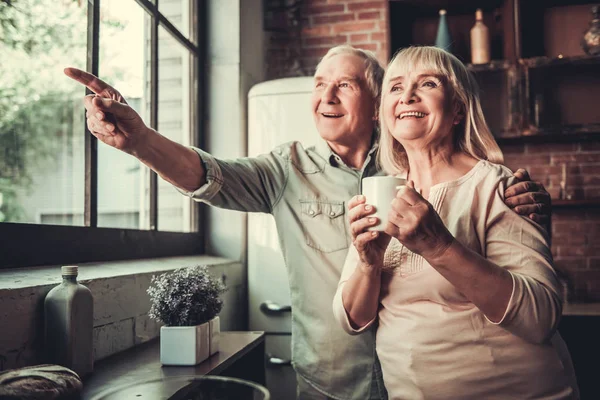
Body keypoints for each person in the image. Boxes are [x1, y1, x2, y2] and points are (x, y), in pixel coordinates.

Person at [64, 45, 551, 400]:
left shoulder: (422, 168)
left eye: (344, 84)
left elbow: (528, 290)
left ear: (376, 102)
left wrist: (520, 203)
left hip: (427, 383)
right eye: (319, 84)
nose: (326, 96)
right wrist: (142, 141)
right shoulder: (287, 168)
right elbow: (209, 175)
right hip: (332, 383)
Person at [333, 45, 578, 400]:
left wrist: (438, 246)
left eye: (428, 84)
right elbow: (350, 321)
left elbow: (540, 317)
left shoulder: (499, 186)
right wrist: (368, 264)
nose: (408, 96)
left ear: (458, 109)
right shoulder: (379, 190)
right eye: (396, 87)